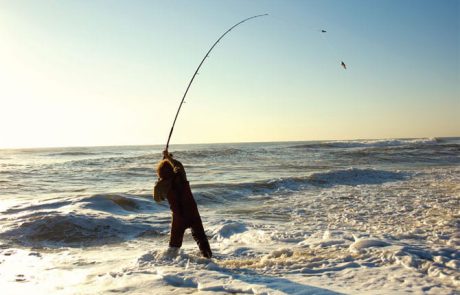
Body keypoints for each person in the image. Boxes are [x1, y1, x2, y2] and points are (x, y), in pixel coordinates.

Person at [153, 150, 212, 258]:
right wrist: (168, 157)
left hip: (178, 218)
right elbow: (178, 164)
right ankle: (209, 260)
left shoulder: (161, 185)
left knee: (174, 246)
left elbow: (157, 199)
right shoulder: (181, 175)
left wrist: (157, 185)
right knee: (202, 240)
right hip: (193, 214)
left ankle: (172, 264)